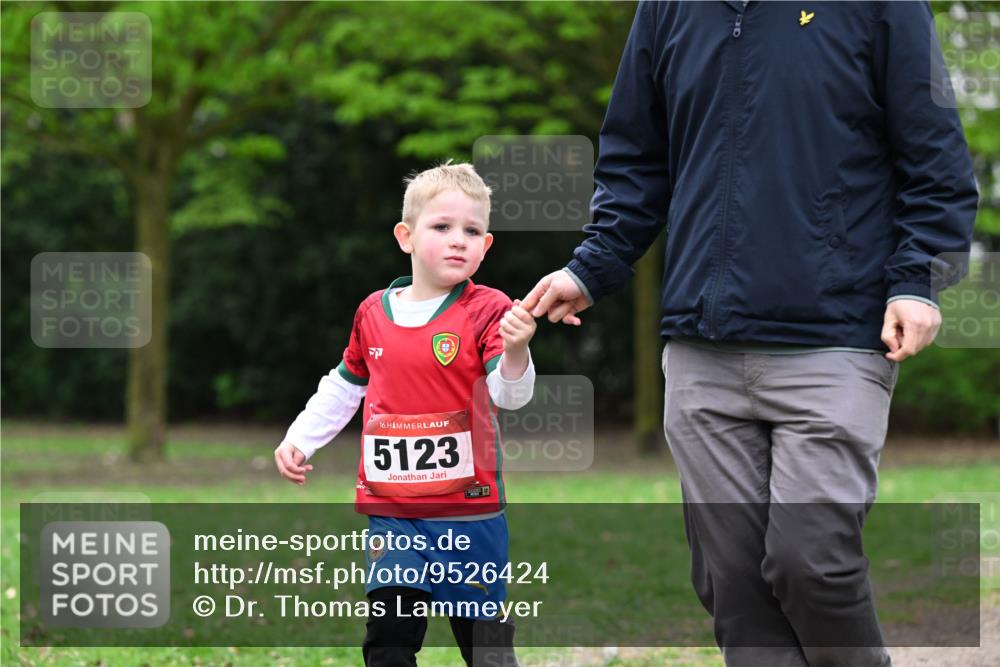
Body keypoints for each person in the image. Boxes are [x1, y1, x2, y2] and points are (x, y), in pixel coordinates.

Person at [522, 2, 977, 666]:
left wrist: (917, 279)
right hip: (702, 348)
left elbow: (936, 159)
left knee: (810, 561)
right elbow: (635, 161)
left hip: (837, 336)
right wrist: (591, 268)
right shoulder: (668, 9)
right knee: (733, 589)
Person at [275, 163, 535, 667]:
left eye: (472, 231)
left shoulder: (488, 309)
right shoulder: (372, 312)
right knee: (388, 642)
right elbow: (345, 384)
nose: (458, 240)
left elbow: (510, 395)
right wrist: (300, 438)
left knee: (485, 650)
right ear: (406, 236)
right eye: (442, 227)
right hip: (394, 512)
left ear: (486, 245)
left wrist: (519, 351)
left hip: (470, 512)